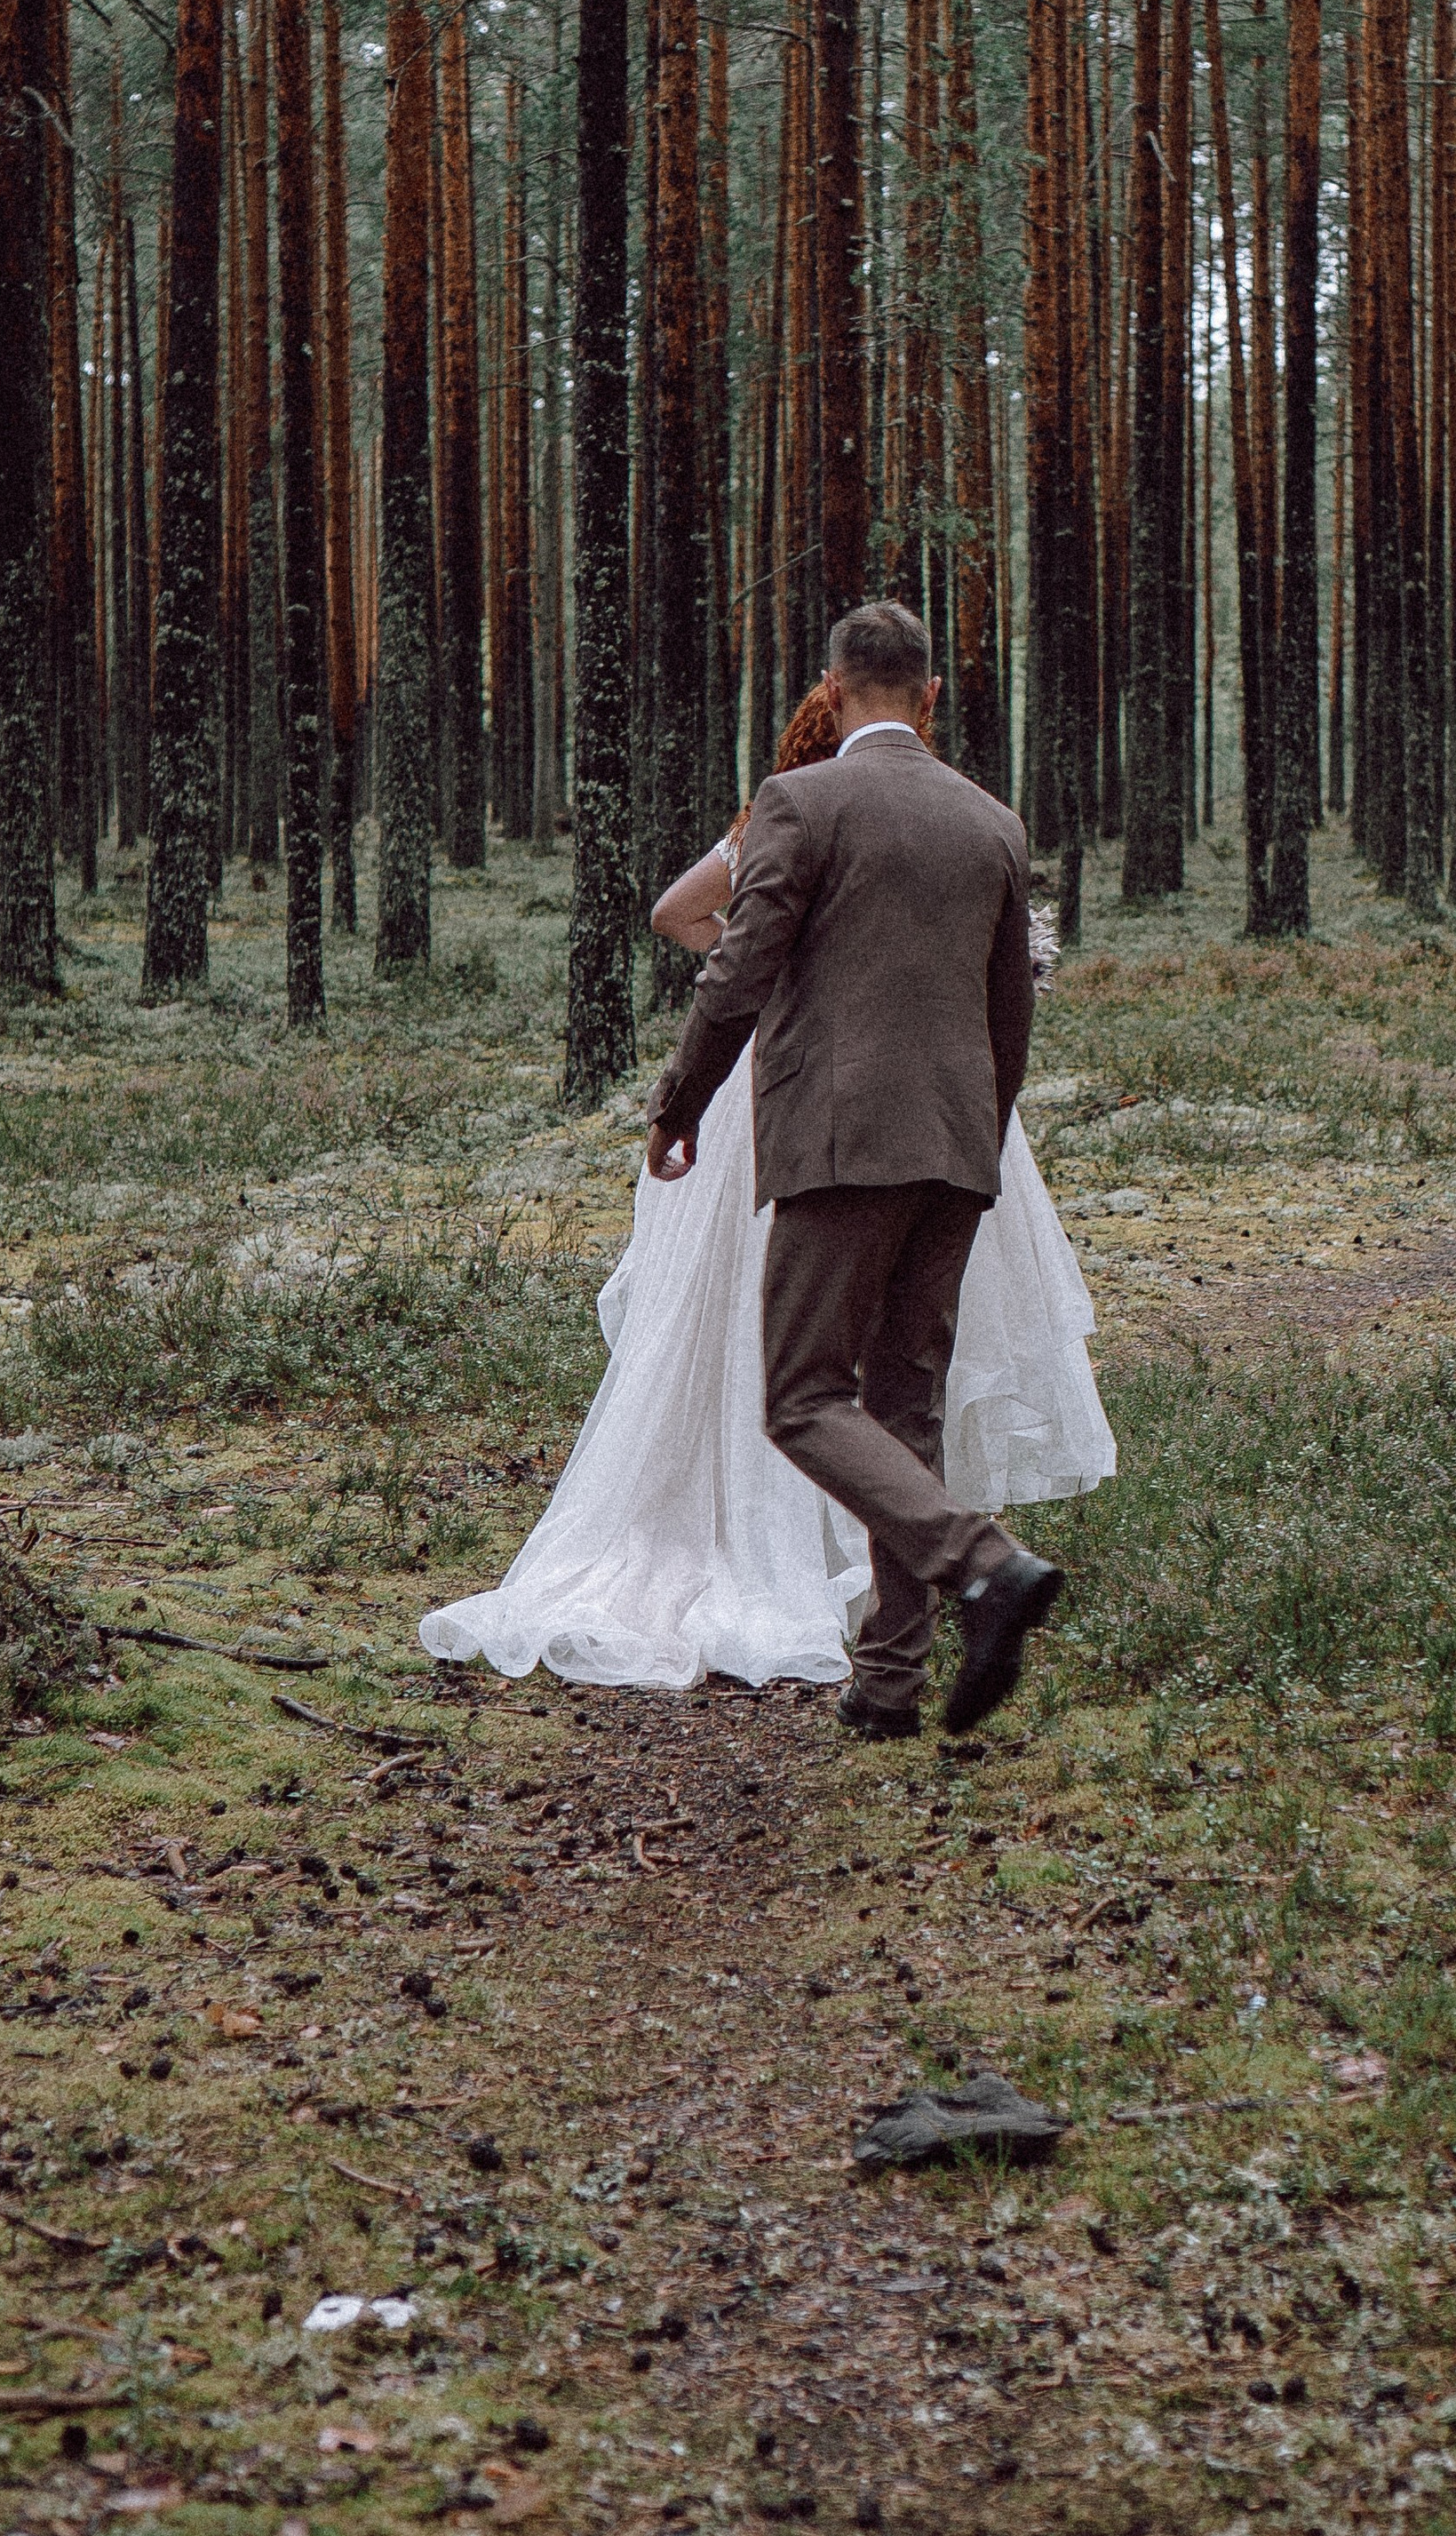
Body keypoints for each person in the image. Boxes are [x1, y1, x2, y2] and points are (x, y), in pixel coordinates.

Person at [421, 607, 1106, 1735]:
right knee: (905, 1405)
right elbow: (1009, 1017)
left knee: (801, 1396)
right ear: (930, 697)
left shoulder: (799, 802)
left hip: (838, 1146)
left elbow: (735, 975)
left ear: (832, 691)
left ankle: (981, 1564)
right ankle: (889, 1685)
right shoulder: (993, 822)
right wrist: (978, 1143)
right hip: (956, 1148)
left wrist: (676, 1107)